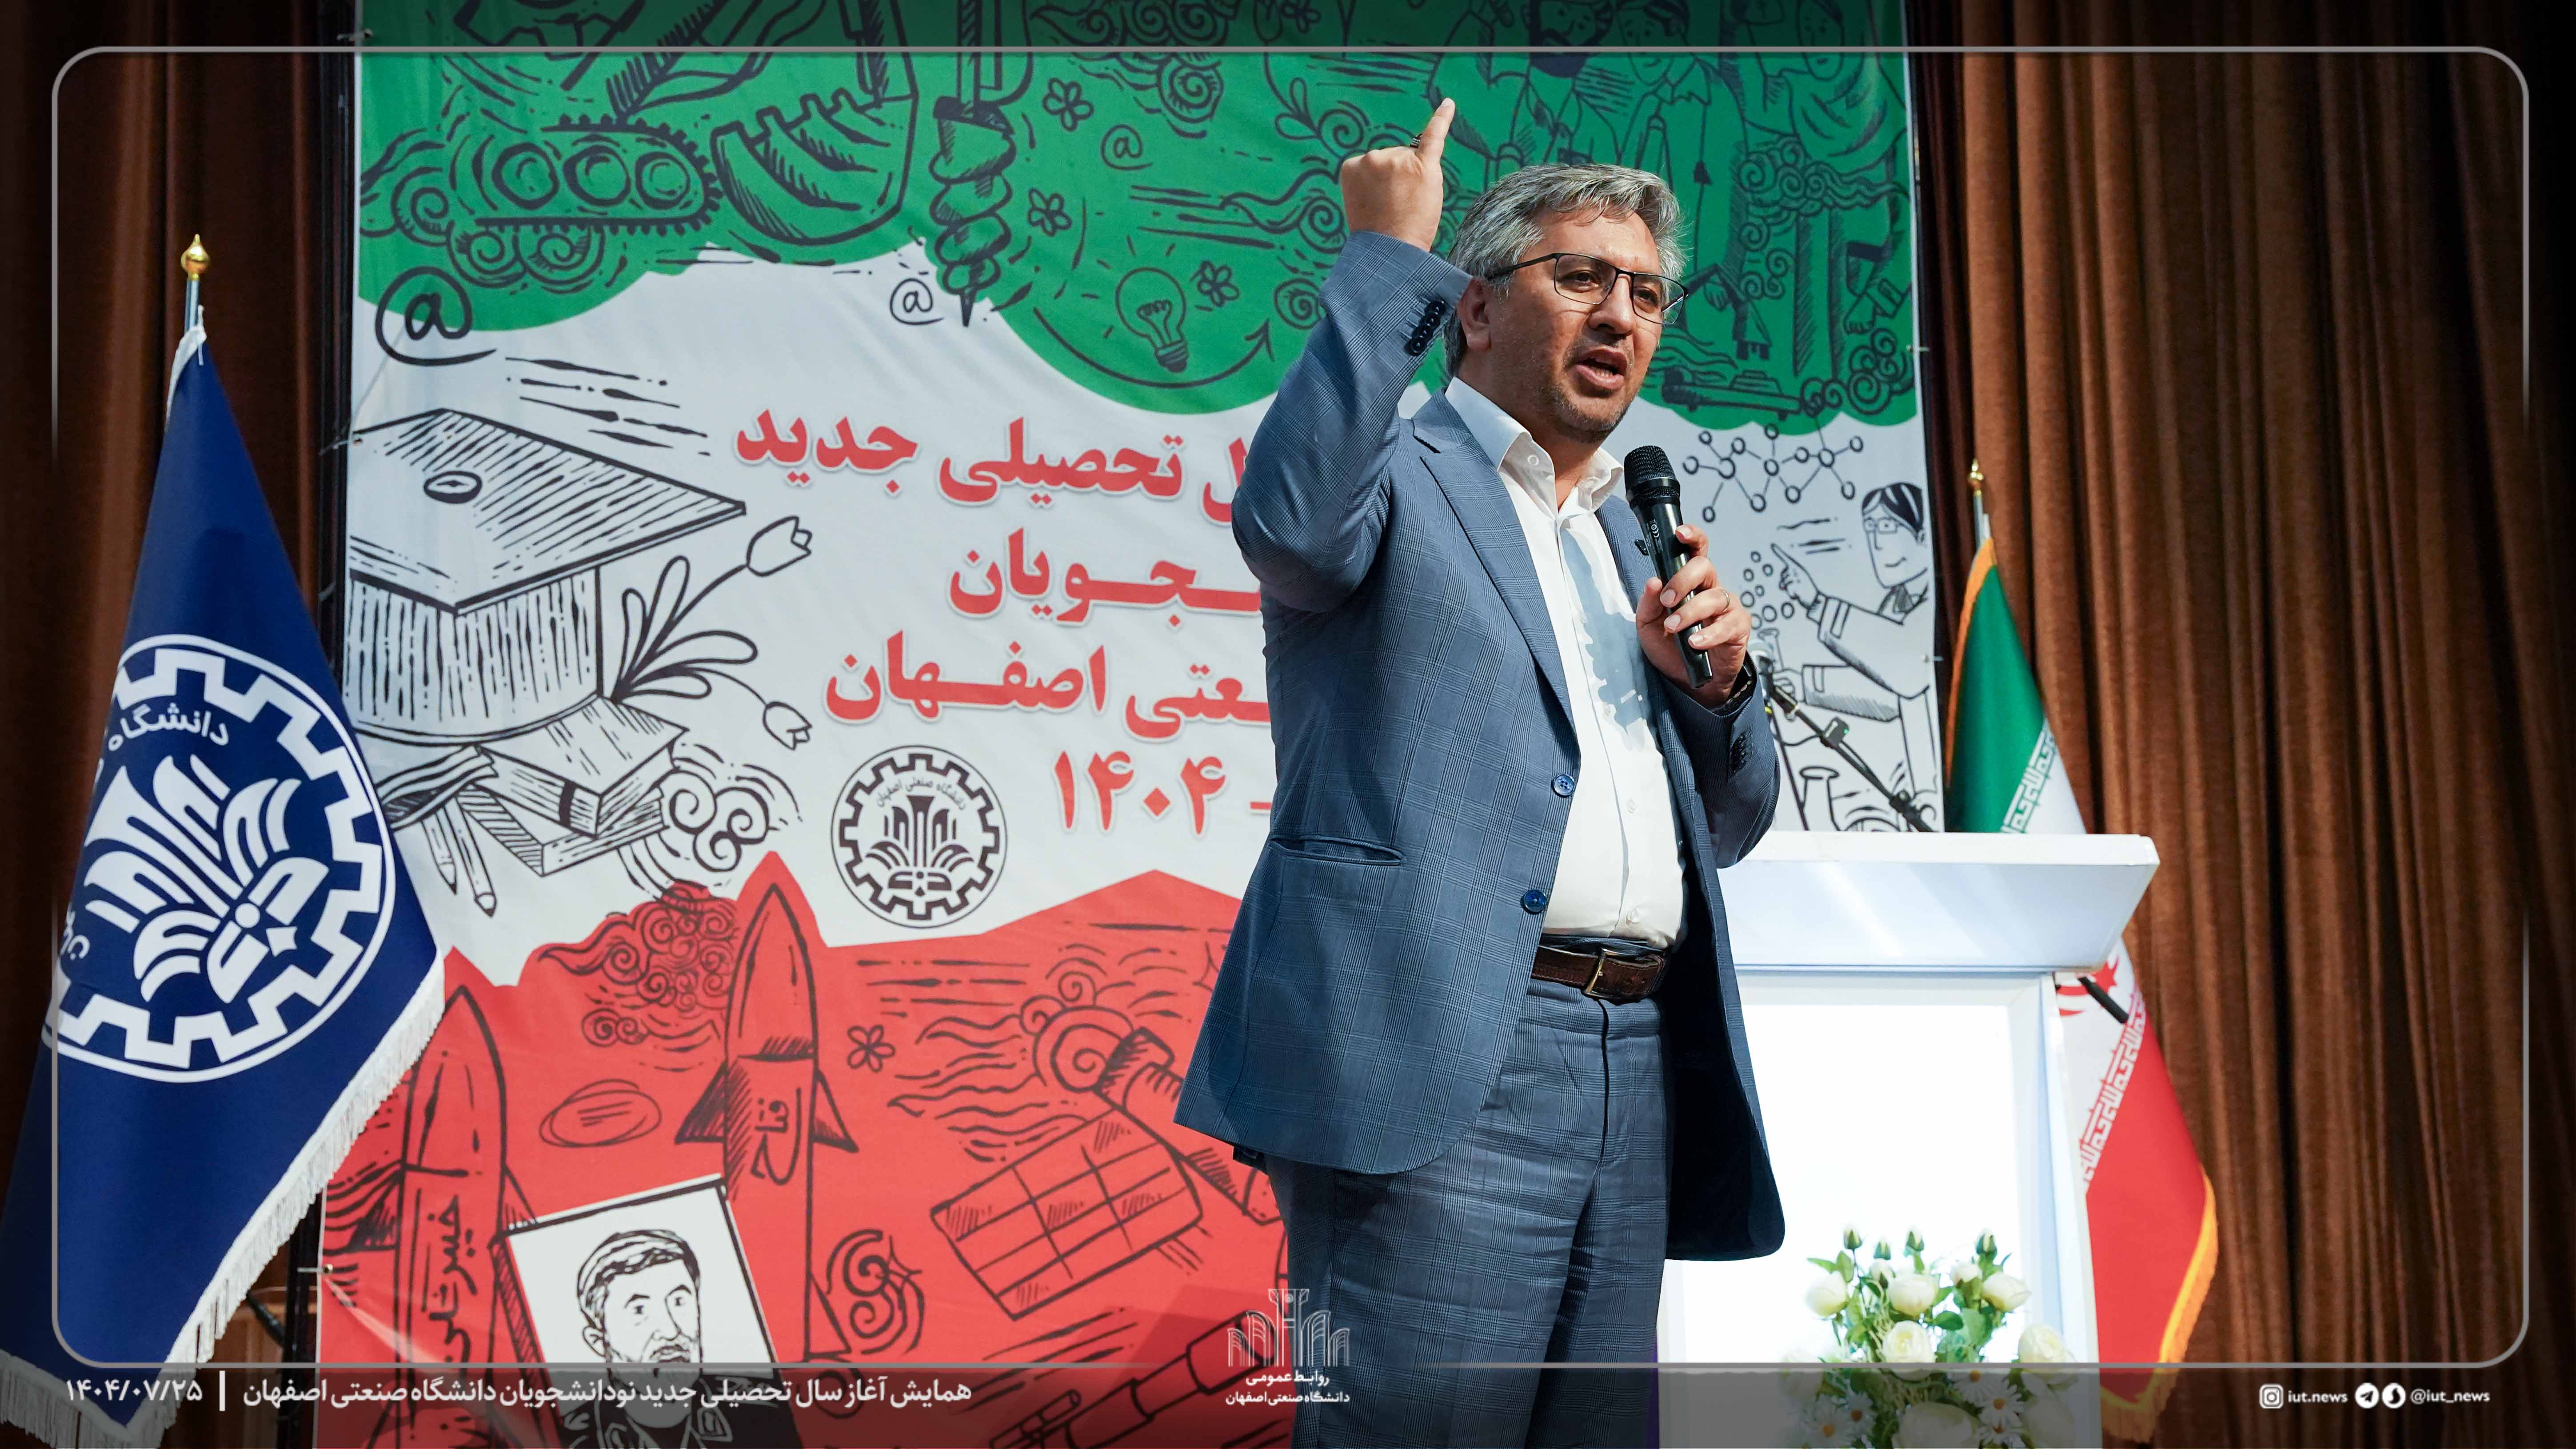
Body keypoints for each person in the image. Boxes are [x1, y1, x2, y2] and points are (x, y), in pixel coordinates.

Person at [1174, 97, 1783, 1448]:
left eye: (1645, 294)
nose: (1619, 315)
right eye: (1581, 278)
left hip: (1632, 1060)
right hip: (1438, 1053)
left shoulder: (1634, 539)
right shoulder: (1397, 472)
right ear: (1478, 306)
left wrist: (1721, 687)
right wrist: (1384, 256)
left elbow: (1734, 822)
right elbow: (1288, 524)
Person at [559, 1229, 803, 1449]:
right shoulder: (568, 1441)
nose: (671, 1331)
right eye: (640, 1310)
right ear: (599, 1341)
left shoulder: (768, 1412)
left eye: (679, 1302)